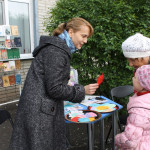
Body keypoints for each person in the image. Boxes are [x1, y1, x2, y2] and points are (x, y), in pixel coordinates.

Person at [9, 17, 99, 150]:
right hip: (40, 114)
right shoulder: (56, 51)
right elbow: (54, 89)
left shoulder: (57, 48)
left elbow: (50, 82)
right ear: (70, 32)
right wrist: (82, 90)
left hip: (38, 109)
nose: (85, 41)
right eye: (83, 36)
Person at [115, 65, 150, 150]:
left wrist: (118, 140)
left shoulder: (139, 110)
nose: (132, 78)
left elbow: (130, 140)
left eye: (135, 77)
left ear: (143, 84)